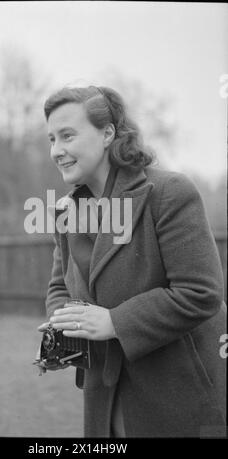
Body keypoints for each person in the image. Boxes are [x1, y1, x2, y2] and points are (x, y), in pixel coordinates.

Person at [37, 85, 226, 438]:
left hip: (175, 395)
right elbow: (60, 285)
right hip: (103, 396)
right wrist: (63, 326)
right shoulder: (64, 210)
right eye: (51, 139)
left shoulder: (169, 193)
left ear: (107, 133)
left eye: (67, 136)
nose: (57, 151)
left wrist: (114, 322)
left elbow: (201, 292)